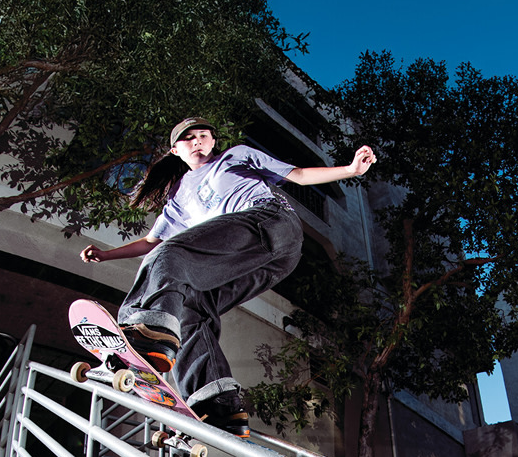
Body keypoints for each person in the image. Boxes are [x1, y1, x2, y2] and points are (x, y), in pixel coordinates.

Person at [80, 118, 376, 437]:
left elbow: (299, 175)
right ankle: (217, 401)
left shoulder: (235, 156)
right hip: (263, 261)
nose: (197, 141)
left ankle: (145, 329)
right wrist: (106, 254)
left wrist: (351, 170)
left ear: (212, 141)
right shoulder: (178, 198)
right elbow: (151, 242)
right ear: (174, 149)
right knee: (192, 309)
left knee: (170, 256)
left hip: (269, 223)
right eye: (189, 138)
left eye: (204, 136)